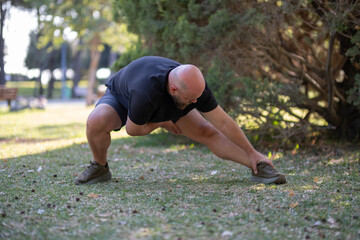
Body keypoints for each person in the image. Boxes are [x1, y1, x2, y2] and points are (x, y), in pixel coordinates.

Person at [75, 56, 286, 185]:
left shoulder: (194, 88)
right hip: (124, 98)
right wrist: (163, 122)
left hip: (168, 101)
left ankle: (257, 166)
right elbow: (133, 129)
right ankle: (100, 167)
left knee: (206, 130)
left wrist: (252, 151)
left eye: (198, 97)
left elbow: (222, 122)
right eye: (192, 99)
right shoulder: (145, 91)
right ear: (174, 89)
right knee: (96, 121)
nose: (196, 102)